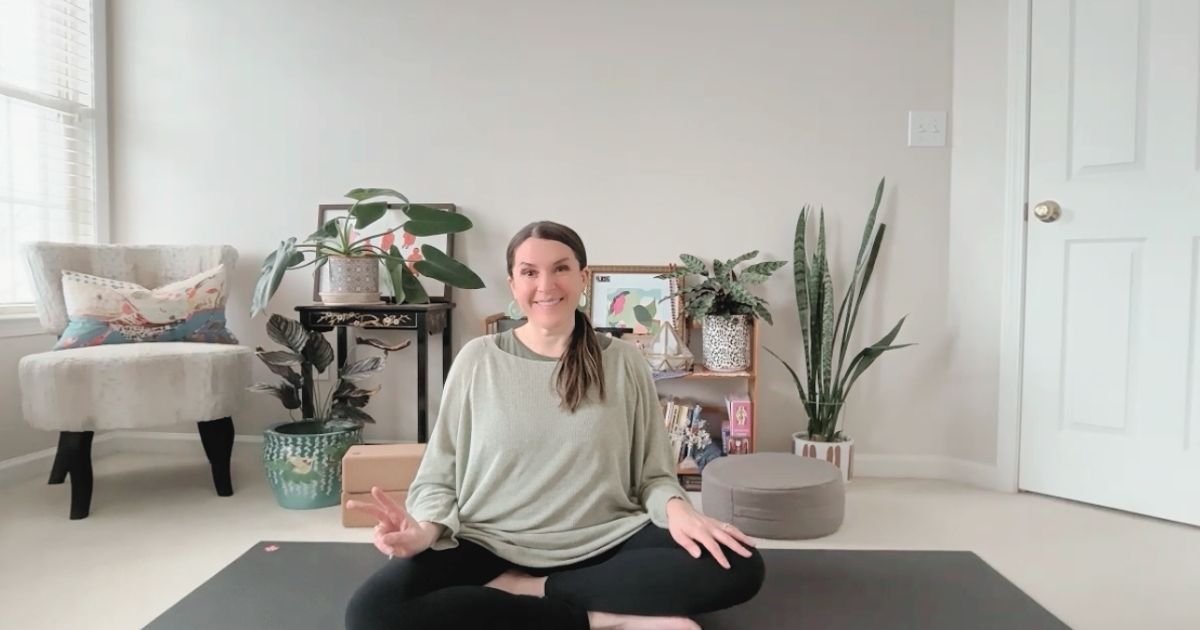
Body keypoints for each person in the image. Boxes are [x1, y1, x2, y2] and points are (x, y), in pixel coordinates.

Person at [344, 221, 765, 630]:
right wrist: (426, 531)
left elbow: (654, 476)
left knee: (741, 566)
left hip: (605, 539)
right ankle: (601, 617)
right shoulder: (478, 360)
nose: (546, 286)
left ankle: (528, 591)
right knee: (372, 614)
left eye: (560, 268)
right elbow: (439, 476)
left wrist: (678, 511)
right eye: (530, 272)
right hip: (489, 540)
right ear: (513, 284)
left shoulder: (624, 361)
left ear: (583, 278)